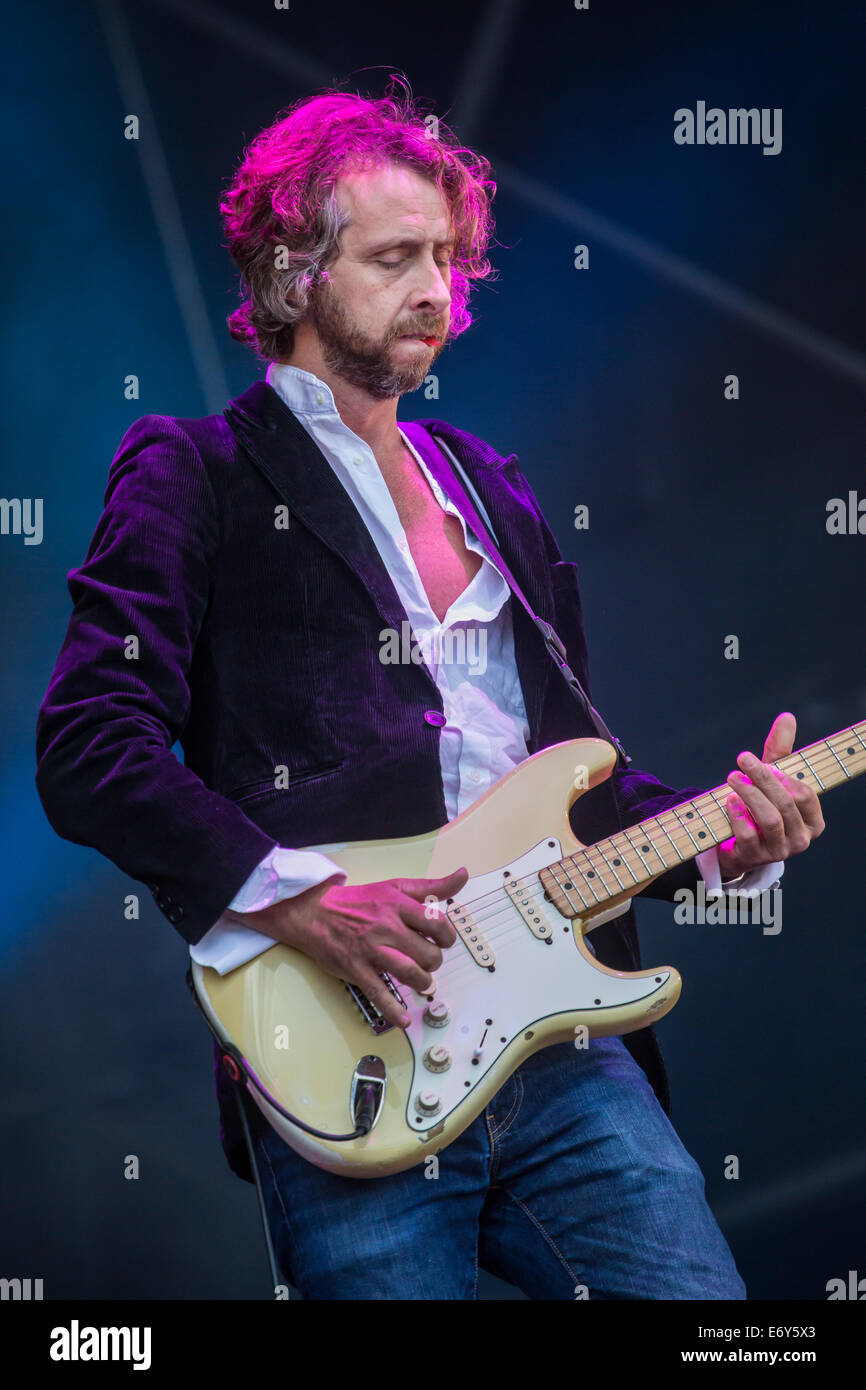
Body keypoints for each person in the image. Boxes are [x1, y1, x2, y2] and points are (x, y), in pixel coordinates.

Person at [34, 82, 824, 1300]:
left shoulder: (489, 487)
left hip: (564, 1045)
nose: (435, 289)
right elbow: (90, 740)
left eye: (448, 257)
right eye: (394, 256)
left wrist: (730, 834)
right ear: (292, 273)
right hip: (350, 1039)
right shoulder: (197, 471)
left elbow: (571, 776)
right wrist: (295, 898)